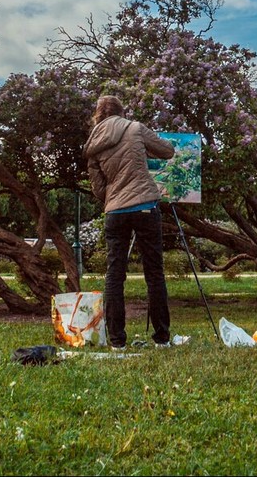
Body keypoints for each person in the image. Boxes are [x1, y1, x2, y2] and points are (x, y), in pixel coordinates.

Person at [84, 94, 175, 348]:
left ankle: (117, 341)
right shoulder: (135, 128)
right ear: (121, 112)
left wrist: (115, 197)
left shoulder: (93, 144)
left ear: (98, 115)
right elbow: (168, 151)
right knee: (154, 273)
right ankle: (161, 338)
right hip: (145, 206)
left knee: (114, 274)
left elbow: (98, 188)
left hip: (115, 212)